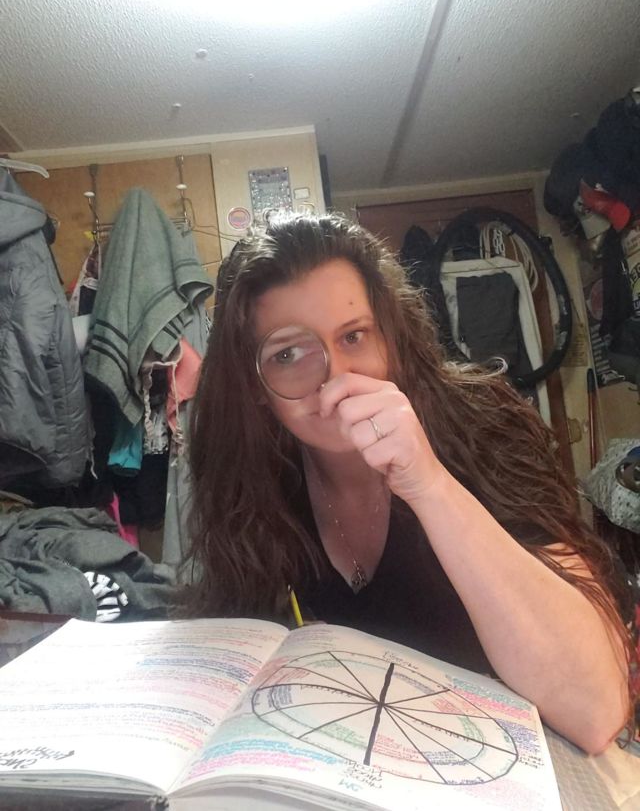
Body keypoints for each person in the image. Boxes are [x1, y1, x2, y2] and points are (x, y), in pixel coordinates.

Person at [183, 211, 635, 754]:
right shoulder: (254, 485)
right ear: (255, 386)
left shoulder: (482, 425)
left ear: (391, 340)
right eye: (288, 354)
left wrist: (428, 483)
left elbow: (596, 709)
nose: (334, 378)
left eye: (354, 336)